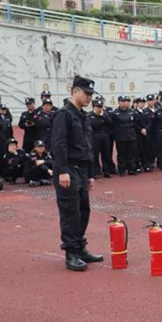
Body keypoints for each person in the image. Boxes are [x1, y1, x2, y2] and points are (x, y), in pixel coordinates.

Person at [51, 76, 102, 272]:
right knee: (70, 211)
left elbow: (88, 147)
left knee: (83, 210)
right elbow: (59, 145)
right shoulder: (64, 115)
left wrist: (90, 173)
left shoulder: (83, 116)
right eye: (86, 93)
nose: (89, 98)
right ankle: (71, 253)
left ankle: (79, 247)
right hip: (68, 169)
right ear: (74, 91)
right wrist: (63, 170)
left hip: (82, 169)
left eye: (91, 94)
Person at [112, 96, 142, 176]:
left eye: (126, 101)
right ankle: (121, 169)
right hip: (120, 136)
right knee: (121, 154)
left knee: (132, 153)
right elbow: (112, 124)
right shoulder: (115, 113)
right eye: (122, 101)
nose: (124, 103)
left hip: (131, 135)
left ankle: (131, 169)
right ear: (119, 102)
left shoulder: (132, 112)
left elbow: (136, 123)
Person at [90, 99, 115, 178]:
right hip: (95, 136)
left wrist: (103, 116)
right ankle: (96, 171)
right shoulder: (89, 115)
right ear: (94, 107)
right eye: (97, 107)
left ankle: (106, 171)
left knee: (106, 154)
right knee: (95, 155)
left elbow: (110, 123)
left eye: (100, 107)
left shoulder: (105, 115)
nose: (99, 109)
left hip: (104, 136)